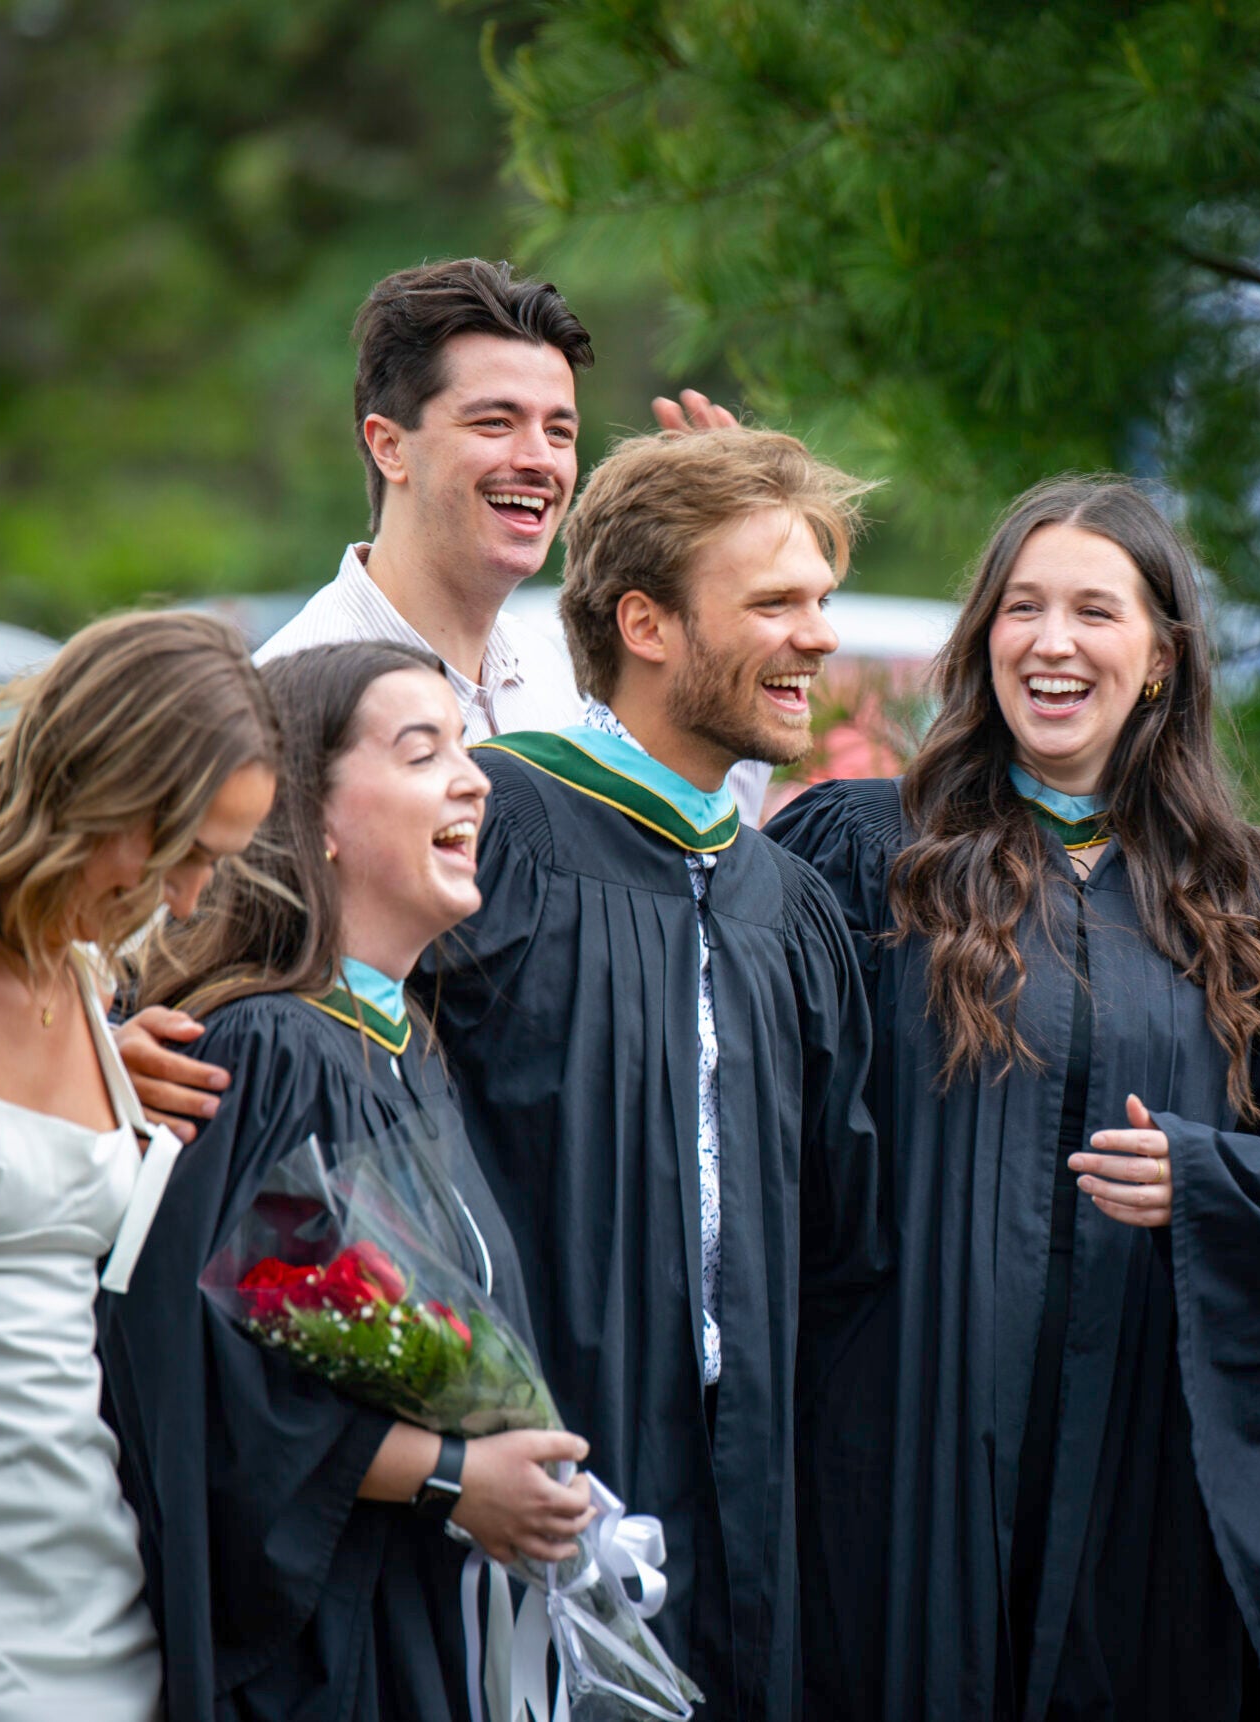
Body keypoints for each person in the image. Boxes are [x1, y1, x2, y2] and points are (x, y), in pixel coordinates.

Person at [768, 477, 1260, 1721]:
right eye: (1021, 608)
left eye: (1094, 612)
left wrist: (1211, 1183)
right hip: (903, 1457)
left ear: (1160, 657)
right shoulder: (862, 856)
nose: (1053, 643)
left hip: (1146, 1470)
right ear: (982, 639)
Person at [414, 427, 882, 1719]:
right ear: (648, 623)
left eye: (823, 602)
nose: (819, 636)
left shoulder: (788, 900)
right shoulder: (489, 822)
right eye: (776, 602)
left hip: (748, 1499)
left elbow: (843, 1229)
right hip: (536, 1473)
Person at [125, 257, 771, 1143]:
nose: (537, 460)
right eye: (494, 422)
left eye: (558, 429)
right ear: (388, 444)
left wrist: (735, 582)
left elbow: (689, 880)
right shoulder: (281, 698)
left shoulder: (569, 682)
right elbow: (144, 949)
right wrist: (112, 1049)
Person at [99, 640, 598, 1720]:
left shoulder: (403, 1046)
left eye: (465, 748)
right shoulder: (272, 1051)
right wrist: (457, 1477)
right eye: (423, 755)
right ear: (309, 816)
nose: (472, 779)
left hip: (418, 1620)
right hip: (328, 1654)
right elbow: (216, 1391)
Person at [0, 610, 280, 1718]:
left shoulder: (88, 987)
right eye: (179, 853)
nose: (184, 899)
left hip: (99, 1592)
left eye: (214, 867)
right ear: (100, 788)